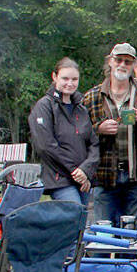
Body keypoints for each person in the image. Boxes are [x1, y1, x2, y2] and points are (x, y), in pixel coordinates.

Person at [82, 43, 137, 229]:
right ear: (110, 61)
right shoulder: (92, 97)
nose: (122, 65)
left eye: (128, 61)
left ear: (133, 66)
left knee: (130, 236)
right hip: (104, 176)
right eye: (118, 60)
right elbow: (79, 135)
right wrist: (97, 129)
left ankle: (127, 259)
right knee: (102, 235)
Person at [29, 57, 97, 205]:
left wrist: (86, 171)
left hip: (83, 179)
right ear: (55, 77)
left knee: (80, 222)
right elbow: (46, 146)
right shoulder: (44, 106)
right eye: (65, 78)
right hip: (60, 179)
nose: (70, 83)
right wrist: (75, 172)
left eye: (74, 79)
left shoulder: (81, 109)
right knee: (73, 214)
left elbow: (93, 144)